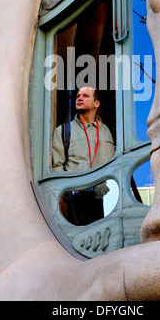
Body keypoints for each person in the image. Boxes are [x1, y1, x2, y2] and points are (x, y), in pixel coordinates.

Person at [52, 86, 115, 225]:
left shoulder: (108, 131)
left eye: (86, 96)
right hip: (76, 199)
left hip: (107, 198)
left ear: (96, 104)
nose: (79, 98)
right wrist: (66, 195)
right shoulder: (63, 131)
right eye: (78, 96)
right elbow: (57, 167)